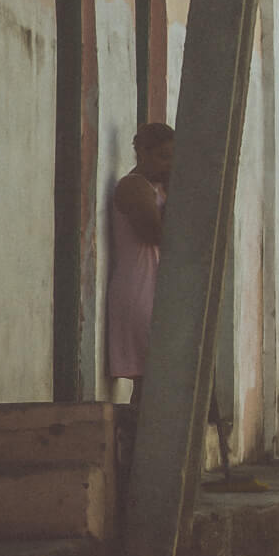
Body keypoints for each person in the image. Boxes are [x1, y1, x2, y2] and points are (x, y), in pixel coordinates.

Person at [107, 122, 174, 405]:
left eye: (173, 157)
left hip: (157, 289)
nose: (169, 164)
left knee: (161, 378)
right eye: (163, 157)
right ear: (142, 152)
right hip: (139, 289)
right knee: (153, 378)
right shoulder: (133, 186)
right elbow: (157, 233)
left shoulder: (159, 187)